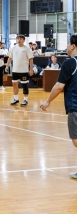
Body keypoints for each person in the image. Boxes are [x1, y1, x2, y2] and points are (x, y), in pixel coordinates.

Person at [40, 35, 77, 178]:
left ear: (73, 46)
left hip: (75, 105)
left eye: (68, 43)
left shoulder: (69, 63)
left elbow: (59, 86)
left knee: (75, 139)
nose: (67, 46)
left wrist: (47, 101)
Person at [5, 34, 34, 107]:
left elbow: (31, 59)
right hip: (15, 70)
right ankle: (15, 99)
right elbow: (10, 58)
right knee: (14, 84)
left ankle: (25, 99)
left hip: (24, 71)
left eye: (20, 39)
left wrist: (31, 69)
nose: (19, 40)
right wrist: (7, 66)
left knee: (24, 85)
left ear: (24, 40)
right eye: (18, 39)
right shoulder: (13, 48)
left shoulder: (27, 49)